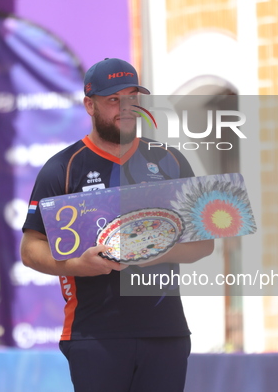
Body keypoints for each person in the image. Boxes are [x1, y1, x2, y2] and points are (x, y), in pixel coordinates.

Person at [20, 58, 214, 392]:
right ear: (89, 104)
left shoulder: (170, 160)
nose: (126, 108)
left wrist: (153, 252)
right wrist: (77, 265)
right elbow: (30, 249)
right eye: (113, 100)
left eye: (132, 98)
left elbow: (205, 242)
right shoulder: (62, 168)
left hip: (166, 332)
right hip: (95, 334)